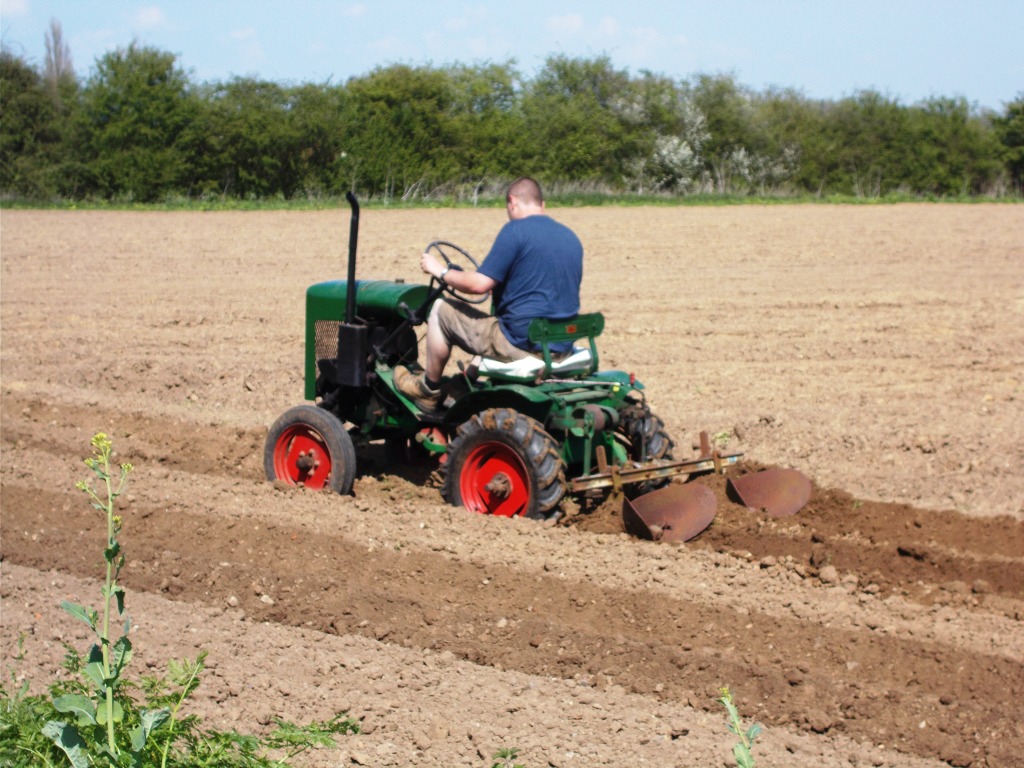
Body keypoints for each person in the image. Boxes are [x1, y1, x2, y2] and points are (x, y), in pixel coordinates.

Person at [395, 176, 584, 412]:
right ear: (542, 205)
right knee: (494, 323)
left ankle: (428, 390)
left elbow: (479, 285)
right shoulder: (571, 237)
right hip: (560, 344)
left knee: (440, 310)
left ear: (512, 202)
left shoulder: (515, 231)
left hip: (522, 344)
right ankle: (467, 380)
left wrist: (440, 271)